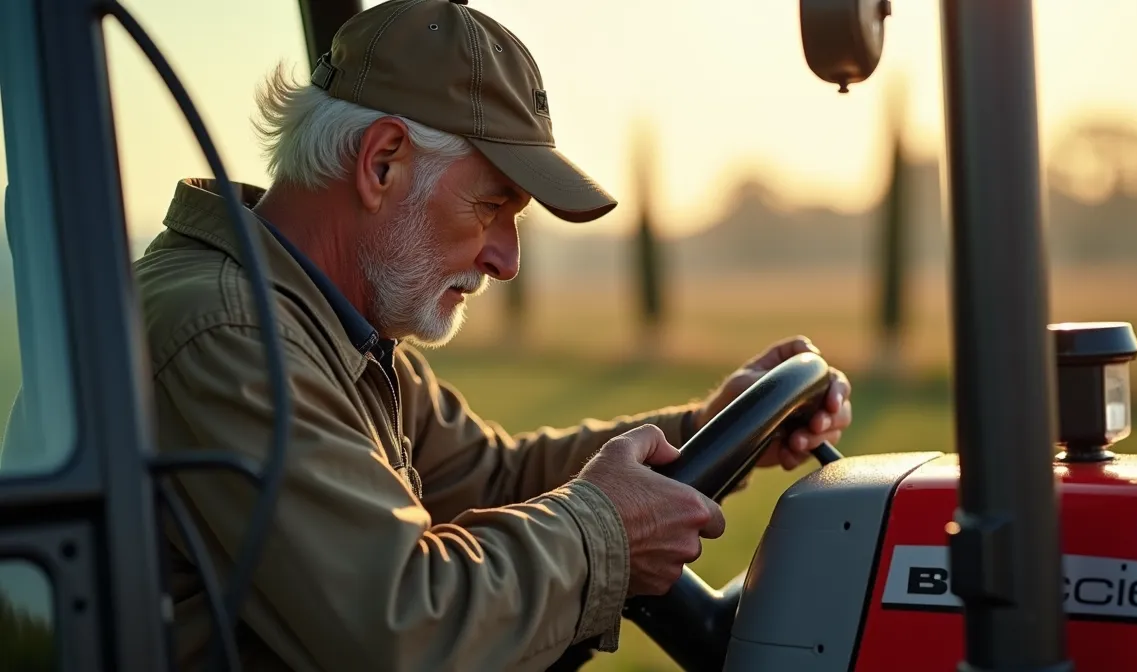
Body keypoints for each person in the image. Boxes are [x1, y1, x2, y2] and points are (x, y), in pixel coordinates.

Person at [135, 1, 852, 670]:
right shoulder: (230, 336)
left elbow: (492, 480)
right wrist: (605, 532)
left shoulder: (329, 331)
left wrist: (704, 425)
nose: (507, 260)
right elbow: (398, 627)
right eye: (489, 206)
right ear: (382, 162)